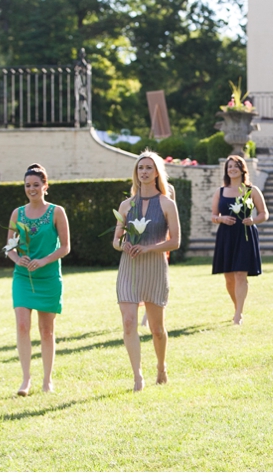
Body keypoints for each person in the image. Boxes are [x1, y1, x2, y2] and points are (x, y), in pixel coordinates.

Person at [113, 152, 182, 391]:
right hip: (128, 269)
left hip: (154, 268)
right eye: (140, 167)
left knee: (157, 329)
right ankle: (137, 376)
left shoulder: (166, 203)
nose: (144, 171)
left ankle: (161, 367)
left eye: (148, 168)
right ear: (136, 172)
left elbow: (175, 242)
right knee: (129, 322)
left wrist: (148, 248)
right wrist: (125, 245)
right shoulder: (125, 205)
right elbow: (116, 241)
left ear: (156, 172)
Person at [5, 163, 71, 396]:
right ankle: (25, 380)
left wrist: (43, 261)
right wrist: (17, 259)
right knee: (22, 326)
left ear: (45, 186)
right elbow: (9, 247)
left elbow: (65, 247)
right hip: (23, 277)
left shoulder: (57, 212)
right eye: (27, 185)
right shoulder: (17, 213)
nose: (31, 189)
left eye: (36, 184)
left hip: (49, 277)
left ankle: (47, 380)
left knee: (46, 330)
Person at [212, 155, 269, 325]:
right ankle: (237, 307)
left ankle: (238, 314)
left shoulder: (252, 190)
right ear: (226, 170)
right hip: (226, 236)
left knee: (240, 274)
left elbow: (264, 214)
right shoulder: (220, 192)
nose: (232, 169)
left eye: (236, 166)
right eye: (229, 166)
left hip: (245, 234)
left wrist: (253, 220)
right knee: (229, 277)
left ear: (243, 169)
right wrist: (221, 219)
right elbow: (213, 215)